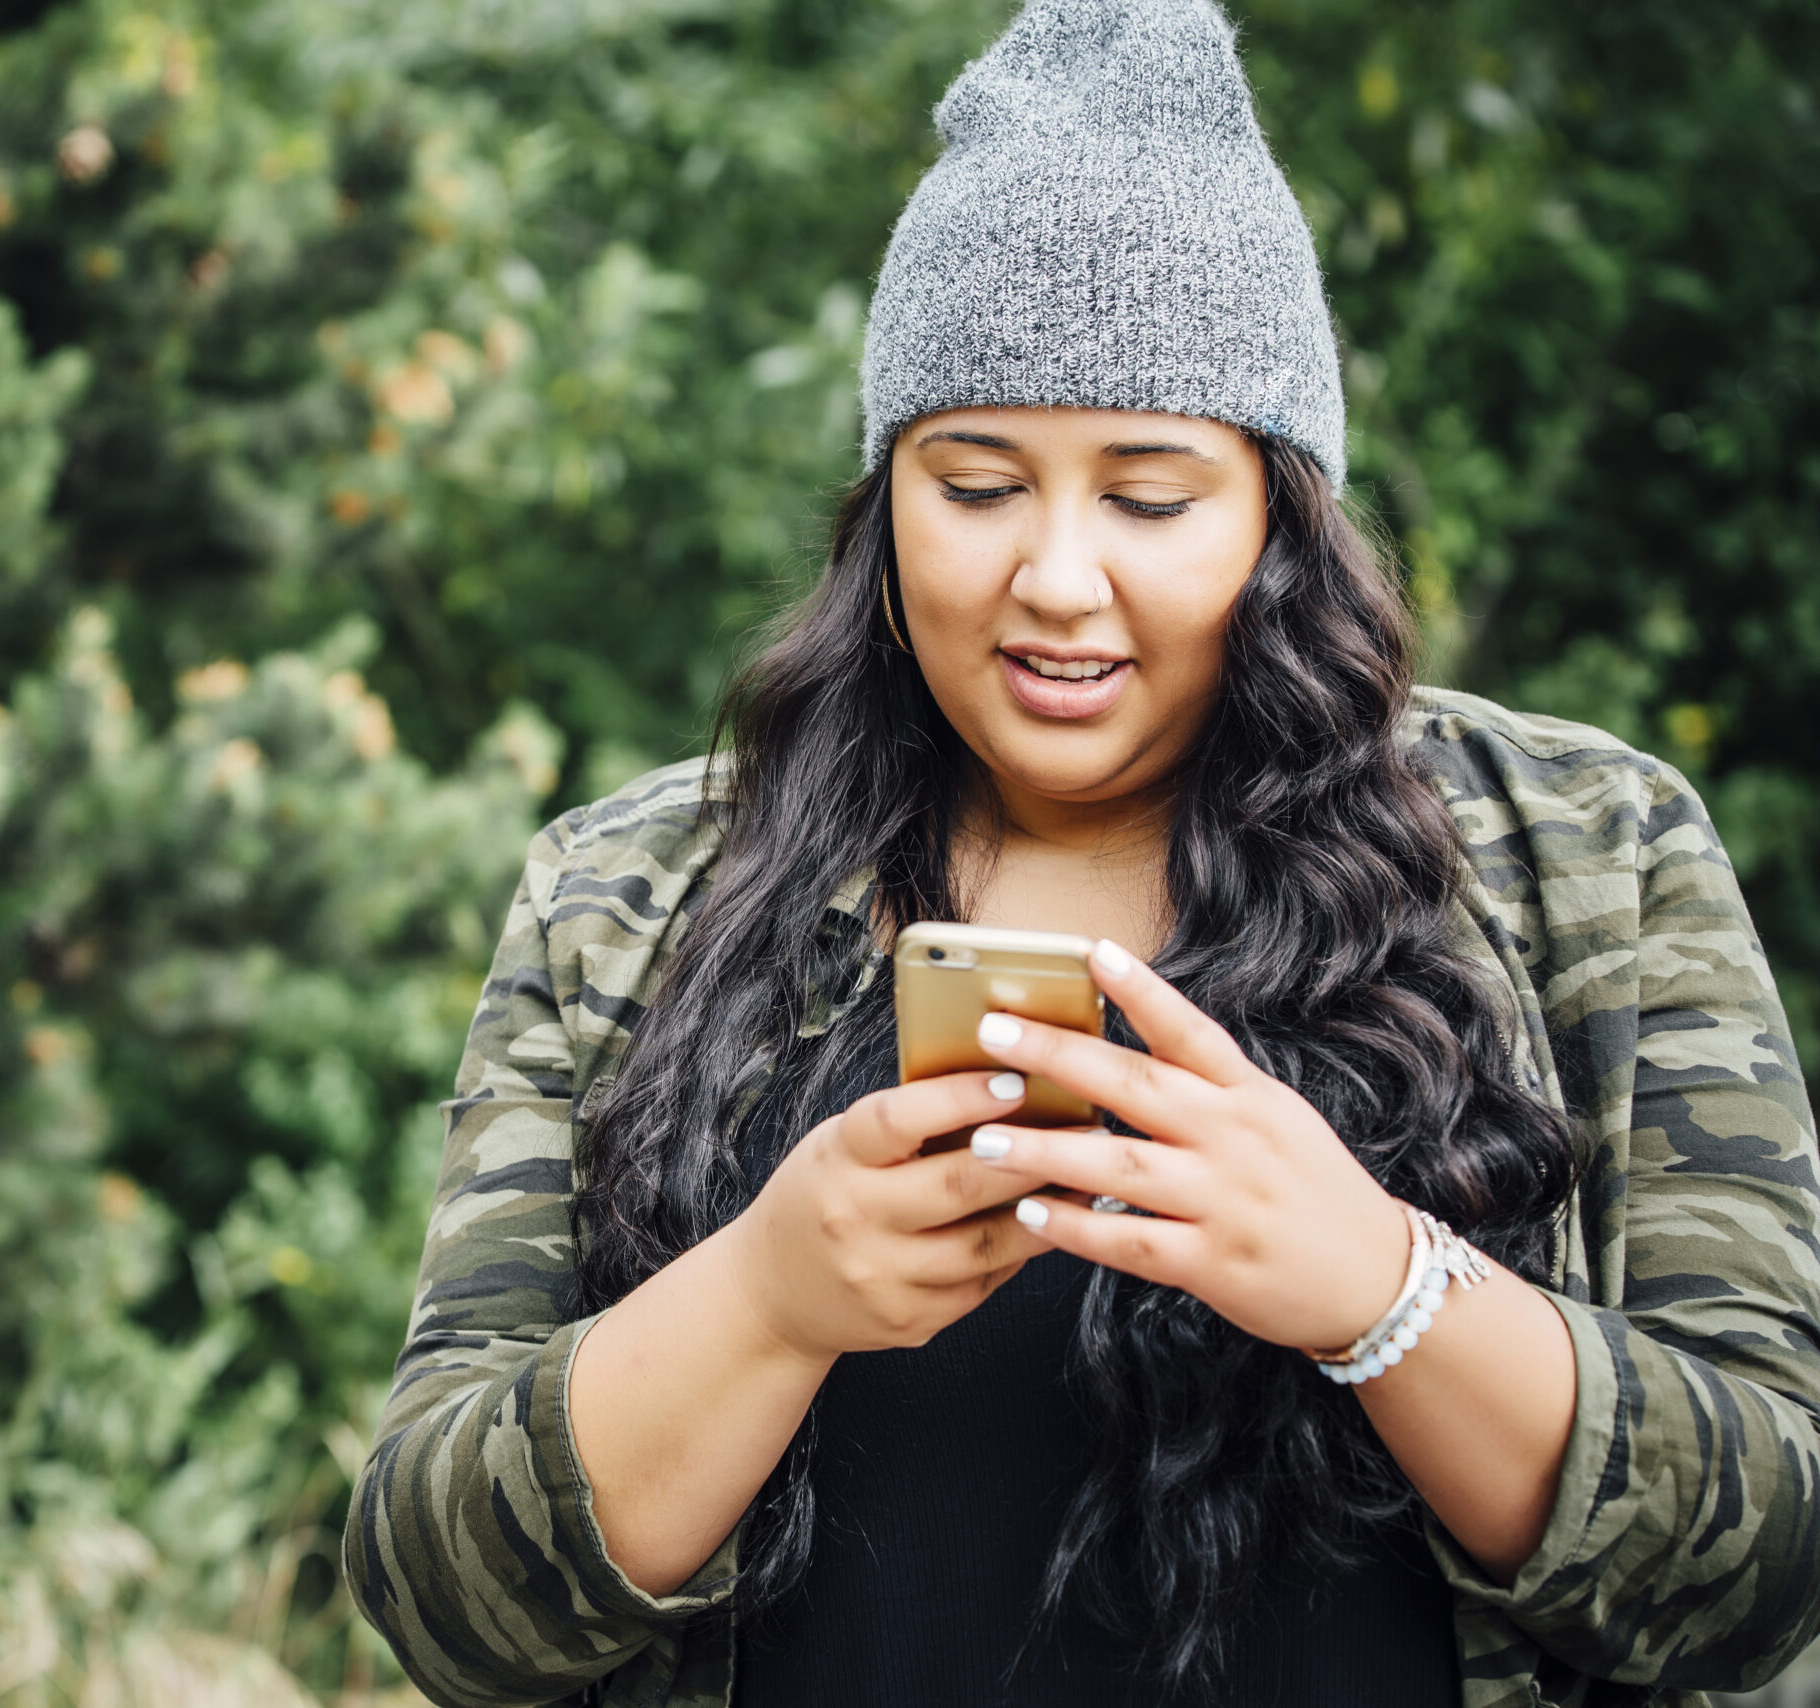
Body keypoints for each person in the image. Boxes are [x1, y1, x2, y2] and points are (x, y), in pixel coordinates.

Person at [343, 0, 1820, 1702]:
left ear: (1280, 507)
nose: (1055, 577)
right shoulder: (629, 900)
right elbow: (446, 1609)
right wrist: (766, 1295)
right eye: (975, 486)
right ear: (883, 496)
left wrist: (1380, 1284)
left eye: (1149, 495)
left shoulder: (1589, 859)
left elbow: (1760, 1573)